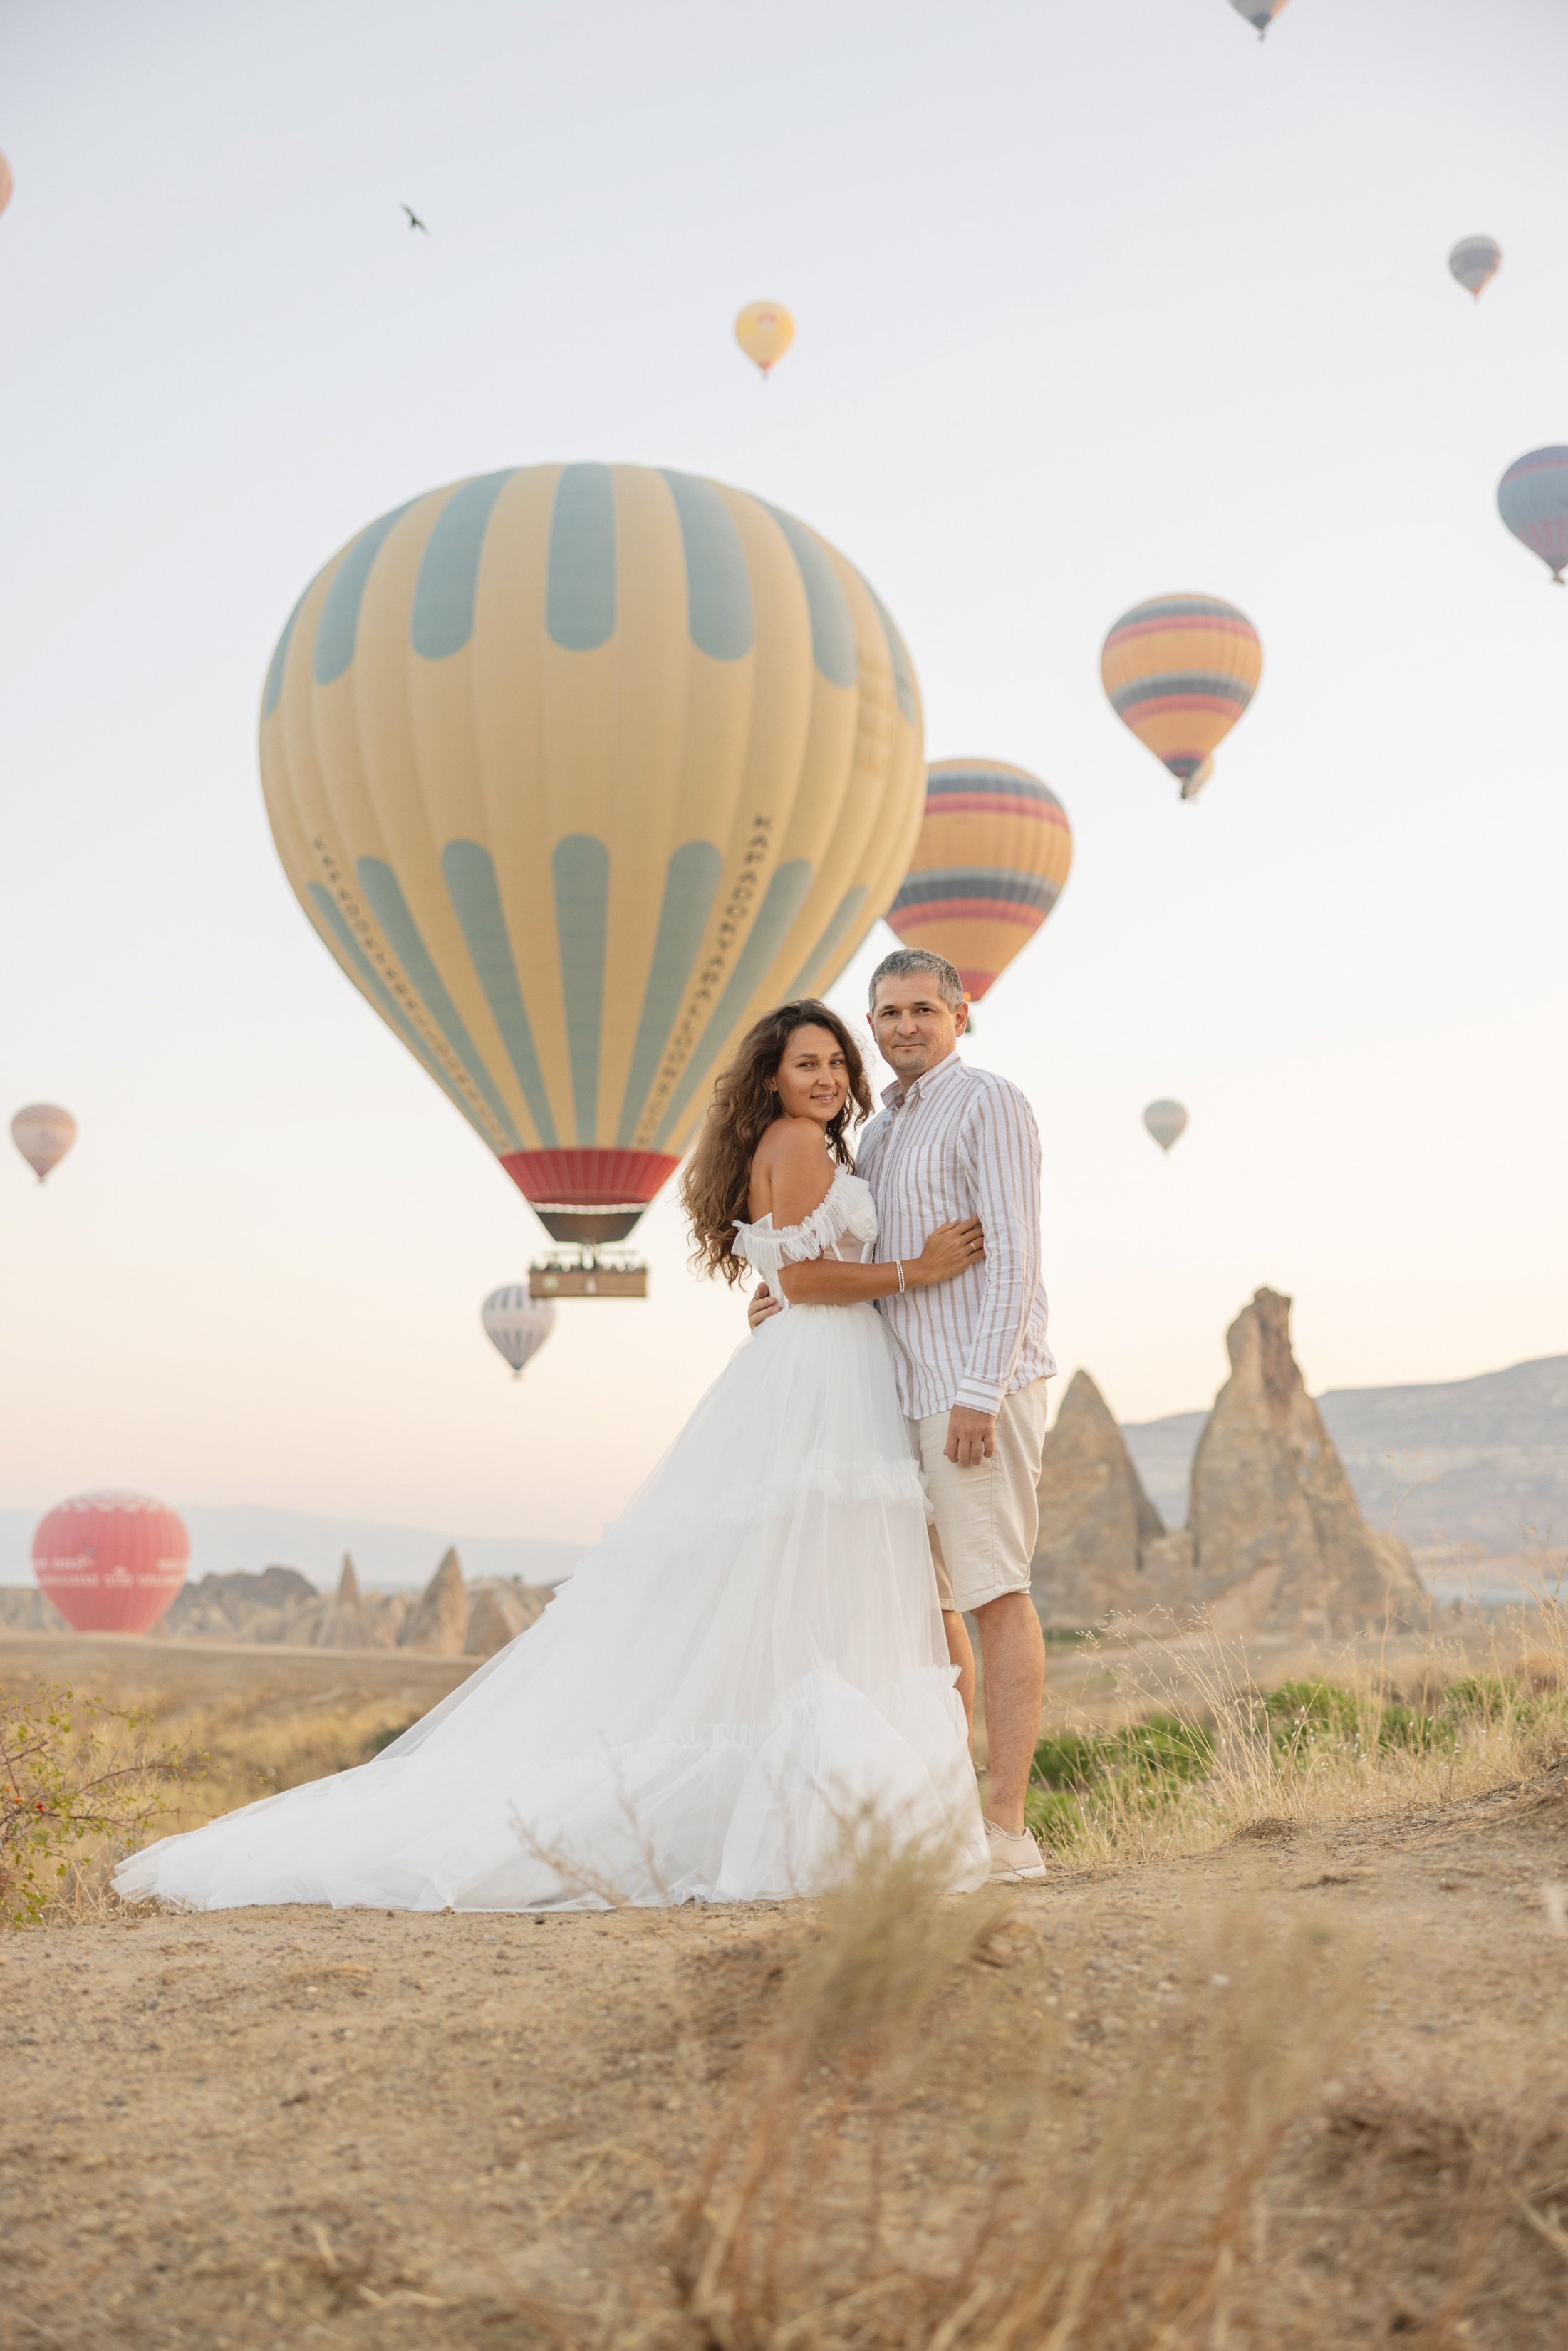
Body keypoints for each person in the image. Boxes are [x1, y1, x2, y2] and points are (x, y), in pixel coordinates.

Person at [113, 1000, 989, 1914]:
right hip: (822, 1375)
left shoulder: (793, 1142)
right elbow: (805, 1278)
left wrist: (799, 1294)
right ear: (771, 1076)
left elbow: (787, 1278)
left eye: (837, 1064)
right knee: (827, 1573)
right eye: (807, 1064)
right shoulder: (802, 1143)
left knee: (800, 1576)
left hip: (813, 1365)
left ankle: (832, 1805)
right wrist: (914, 1271)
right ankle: (844, 1814)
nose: (828, 1079)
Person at [749, 948, 1054, 1882]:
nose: (904, 1026)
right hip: (893, 1400)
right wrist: (789, 1296)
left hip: (971, 1389)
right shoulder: (875, 1136)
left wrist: (978, 1390)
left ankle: (1005, 1826)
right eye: (886, 1013)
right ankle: (944, 1812)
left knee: (994, 1592)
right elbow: (864, 1267)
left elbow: (1010, 1255)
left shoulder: (988, 1103)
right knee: (925, 1613)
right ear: (870, 1026)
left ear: (961, 1015)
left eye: (924, 1007)